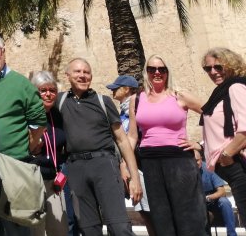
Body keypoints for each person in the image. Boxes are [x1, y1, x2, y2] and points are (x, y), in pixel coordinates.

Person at [58, 58, 141, 236]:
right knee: (88, 229)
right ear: (68, 76)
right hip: (75, 169)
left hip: (104, 165)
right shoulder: (61, 102)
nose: (82, 76)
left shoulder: (103, 102)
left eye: (86, 72)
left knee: (119, 226)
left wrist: (135, 178)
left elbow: (122, 140)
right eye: (77, 72)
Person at [0, 33, 46, 236]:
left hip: (14, 170)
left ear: (3, 52)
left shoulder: (21, 84)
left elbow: (38, 122)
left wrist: (28, 147)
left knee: (17, 229)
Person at [128, 55, 205, 236]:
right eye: (152, 69)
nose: (157, 73)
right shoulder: (136, 99)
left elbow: (212, 113)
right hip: (150, 163)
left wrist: (200, 144)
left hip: (179, 160)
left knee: (189, 216)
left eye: (162, 69)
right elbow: (132, 136)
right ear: (146, 72)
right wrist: (125, 165)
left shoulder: (179, 96)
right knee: (161, 217)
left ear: (167, 72)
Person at [200, 47, 246, 224]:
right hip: (231, 166)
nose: (213, 72)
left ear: (231, 65)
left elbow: (244, 128)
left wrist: (227, 155)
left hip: (237, 165)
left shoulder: (235, 87)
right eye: (208, 68)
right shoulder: (222, 91)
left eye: (218, 66)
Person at [107, 74, 155, 236]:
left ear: (127, 89)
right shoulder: (122, 113)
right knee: (143, 211)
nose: (112, 91)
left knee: (150, 211)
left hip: (139, 167)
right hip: (127, 166)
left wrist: (126, 165)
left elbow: (133, 139)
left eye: (116, 87)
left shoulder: (138, 110)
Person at [29, 71, 68, 236]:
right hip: (32, 180)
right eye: (43, 90)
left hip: (54, 180)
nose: (48, 94)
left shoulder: (57, 116)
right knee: (35, 230)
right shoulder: (26, 115)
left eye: (52, 90)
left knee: (59, 229)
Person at [196, 150, 238, 236]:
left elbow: (222, 191)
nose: (196, 163)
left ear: (201, 158)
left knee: (224, 202)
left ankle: (232, 234)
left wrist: (207, 198)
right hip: (195, 202)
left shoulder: (209, 168)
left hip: (211, 200)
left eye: (197, 160)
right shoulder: (185, 171)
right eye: (193, 161)